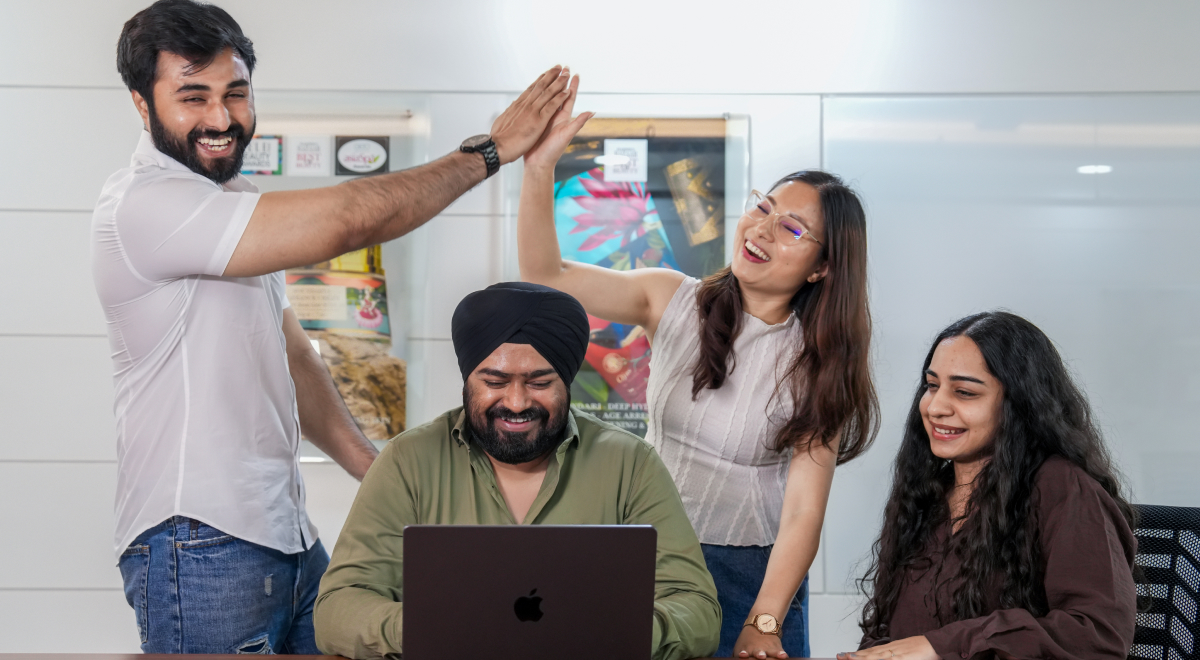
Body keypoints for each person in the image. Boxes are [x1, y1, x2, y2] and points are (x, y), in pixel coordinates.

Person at [95, 0, 576, 653]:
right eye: (192, 96)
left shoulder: (230, 203)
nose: (220, 118)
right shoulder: (147, 206)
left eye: (235, 93)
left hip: (283, 535)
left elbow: (291, 356)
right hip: (199, 538)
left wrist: (374, 472)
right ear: (140, 103)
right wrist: (486, 153)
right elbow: (352, 219)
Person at [516, 79, 879, 658]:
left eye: (790, 230)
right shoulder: (672, 298)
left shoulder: (820, 364)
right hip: (642, 553)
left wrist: (764, 622)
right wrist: (538, 169)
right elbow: (546, 275)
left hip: (748, 574)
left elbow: (804, 511)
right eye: (764, 208)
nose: (760, 229)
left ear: (823, 268)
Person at [313, 282, 722, 660]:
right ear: (467, 381)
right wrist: (437, 631)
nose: (515, 401)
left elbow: (697, 608)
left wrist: (610, 632)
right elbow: (338, 608)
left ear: (568, 382)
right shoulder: (408, 460)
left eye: (540, 382)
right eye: (494, 380)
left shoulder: (630, 463)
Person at [840, 312, 1138, 660]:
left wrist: (945, 646)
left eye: (964, 392)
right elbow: (895, 635)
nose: (935, 407)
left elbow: (1096, 634)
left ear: (1020, 404)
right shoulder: (926, 493)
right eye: (932, 386)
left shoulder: (1065, 488)